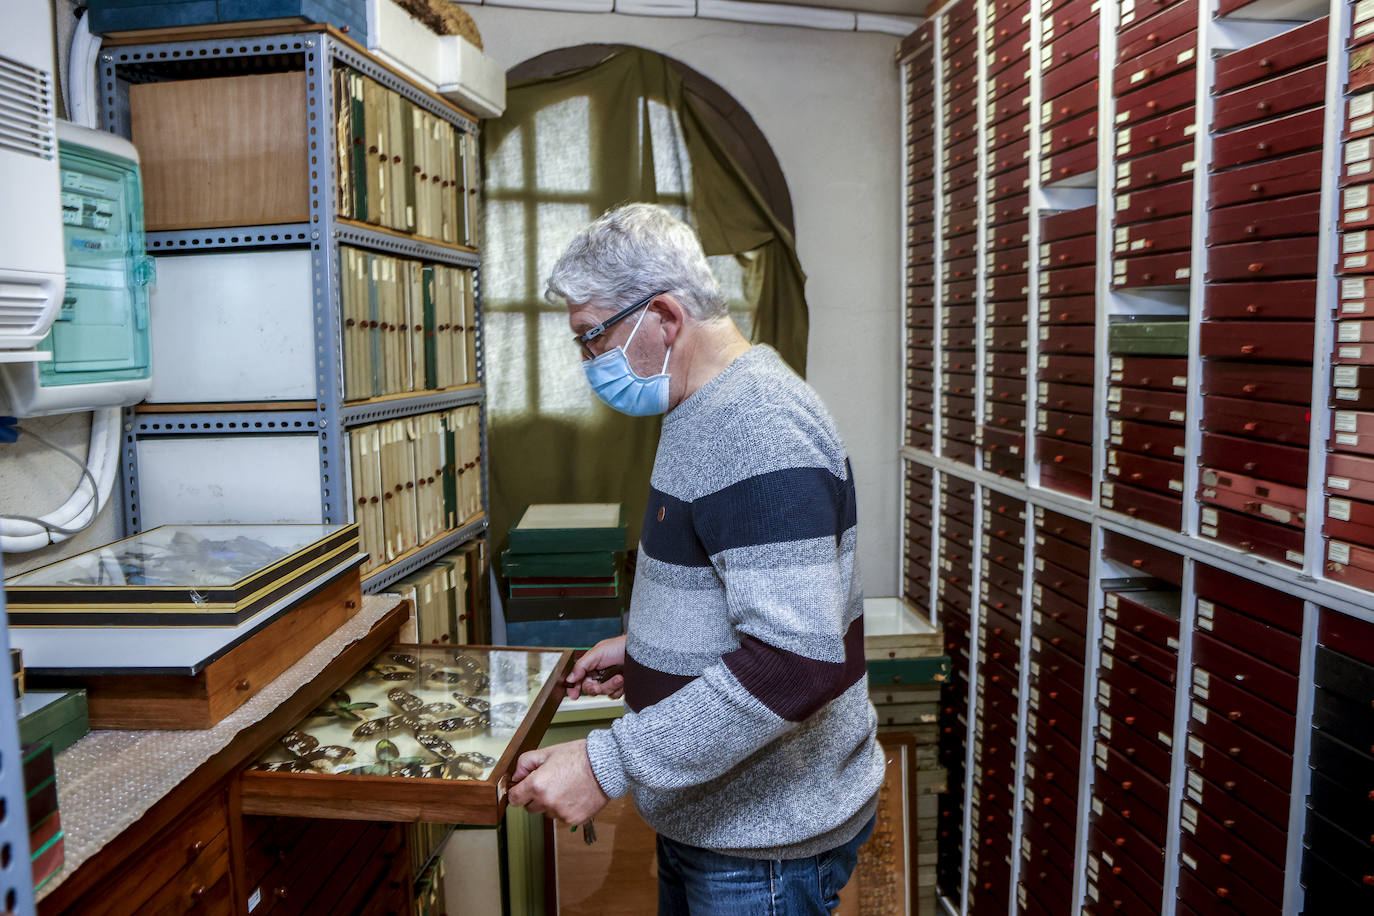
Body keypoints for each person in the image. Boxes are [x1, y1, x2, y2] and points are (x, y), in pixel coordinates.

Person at [507, 203, 885, 915]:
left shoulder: (756, 423)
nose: (589, 362)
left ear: (665, 318)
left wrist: (604, 763)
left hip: (762, 848)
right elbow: (743, 589)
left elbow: (795, 661)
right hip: (719, 822)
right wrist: (648, 652)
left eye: (592, 338)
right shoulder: (703, 406)